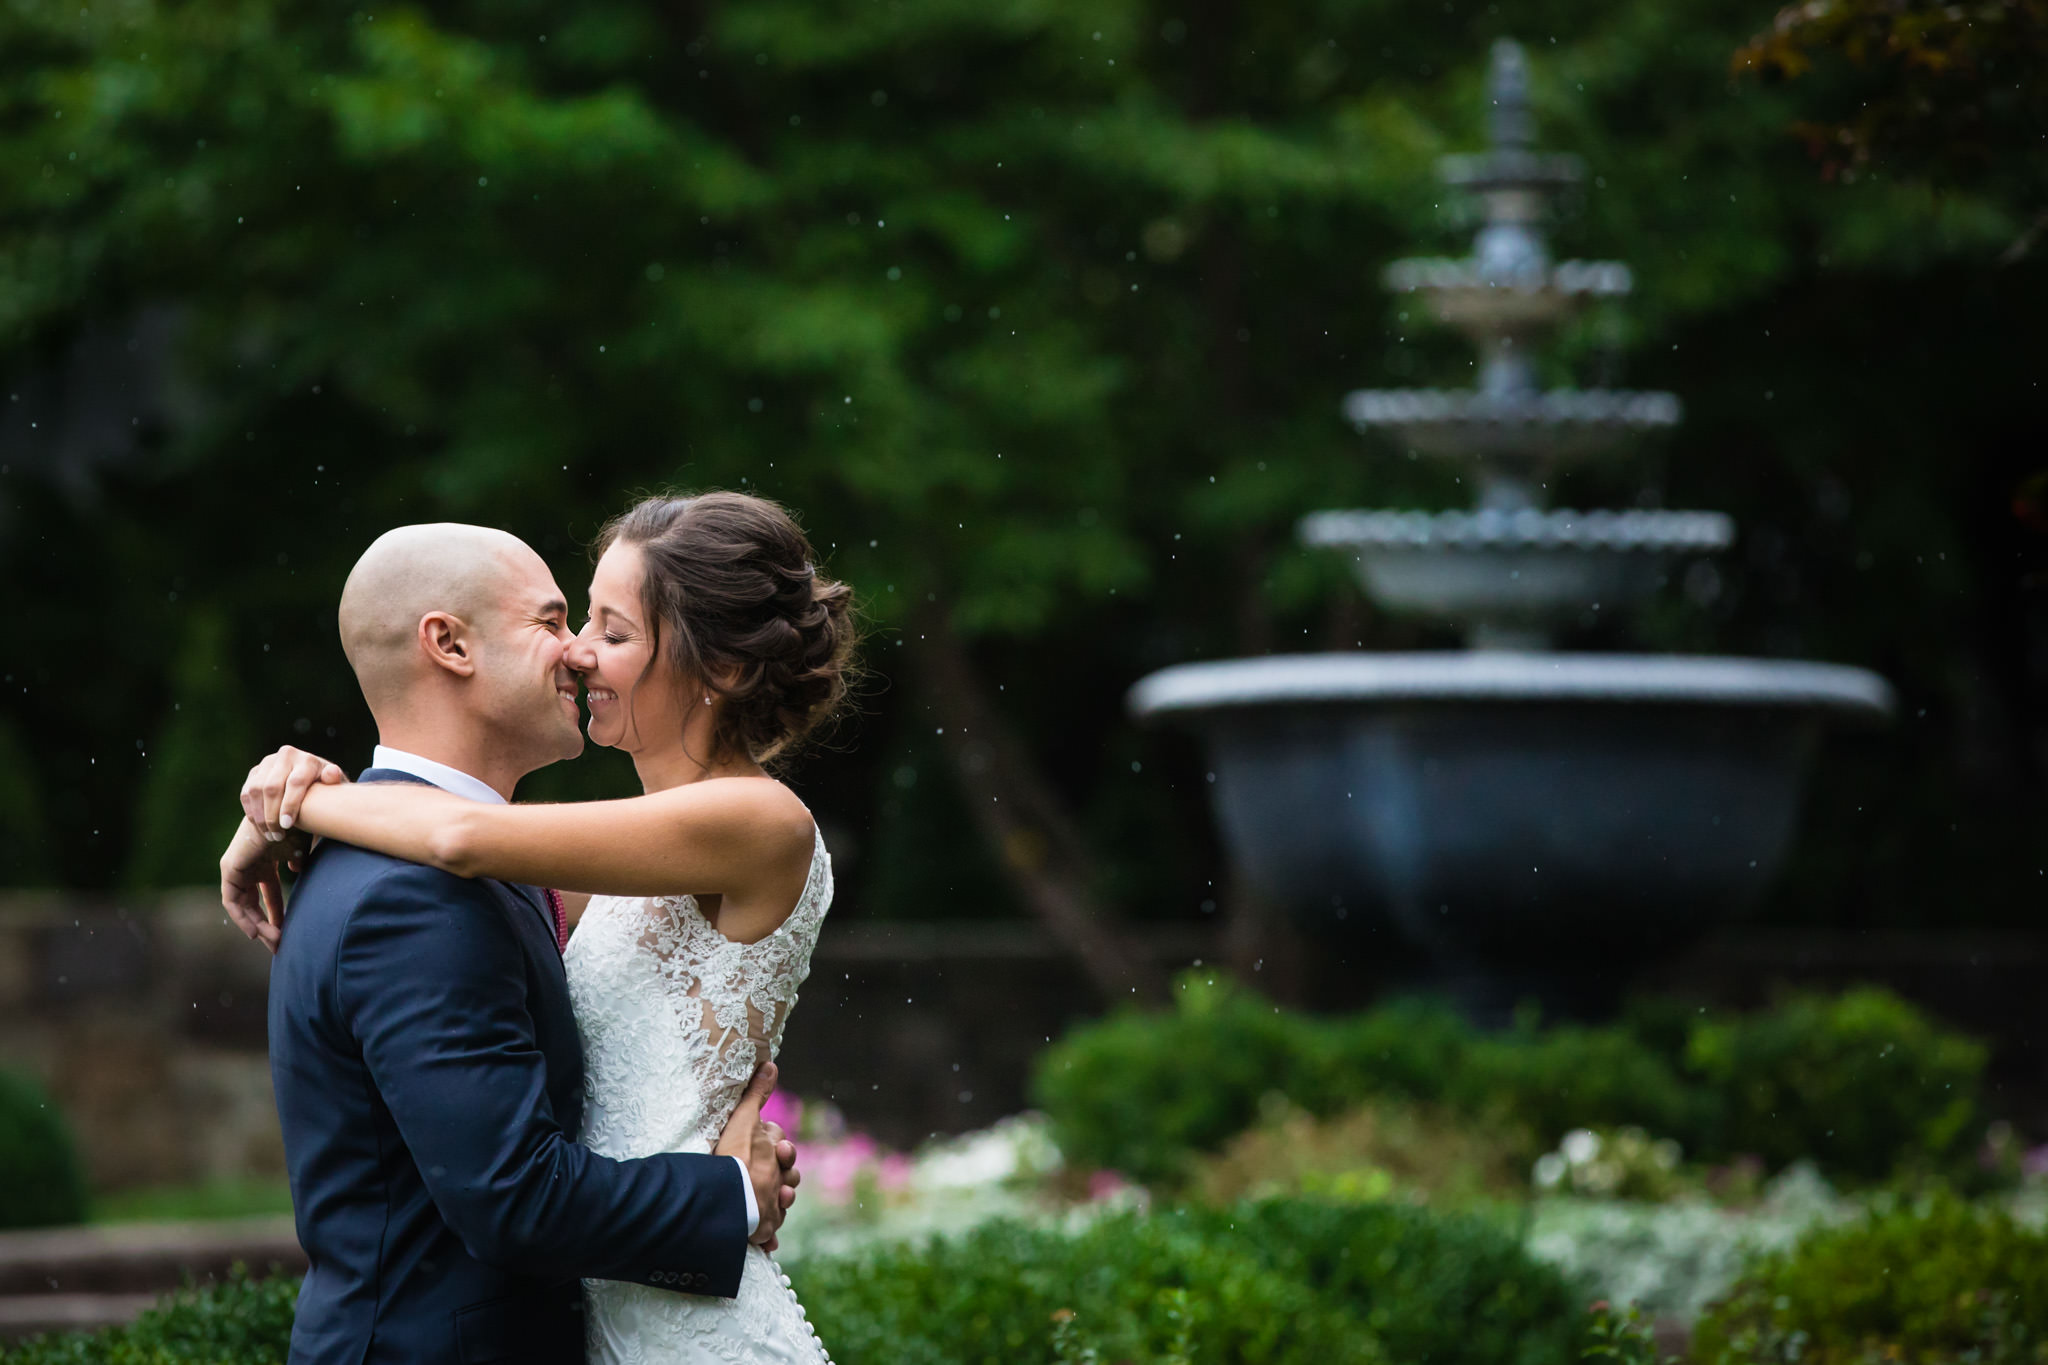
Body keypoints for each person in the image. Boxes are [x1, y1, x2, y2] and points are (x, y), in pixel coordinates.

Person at [222, 493, 855, 1364]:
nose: (579, 652)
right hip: (591, 1303)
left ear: (725, 668)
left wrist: (295, 801)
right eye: (565, 619)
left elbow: (459, 836)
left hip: (677, 1320)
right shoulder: (461, 882)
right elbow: (454, 840)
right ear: (447, 644)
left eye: (610, 629)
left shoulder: (751, 822)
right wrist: (726, 1192)